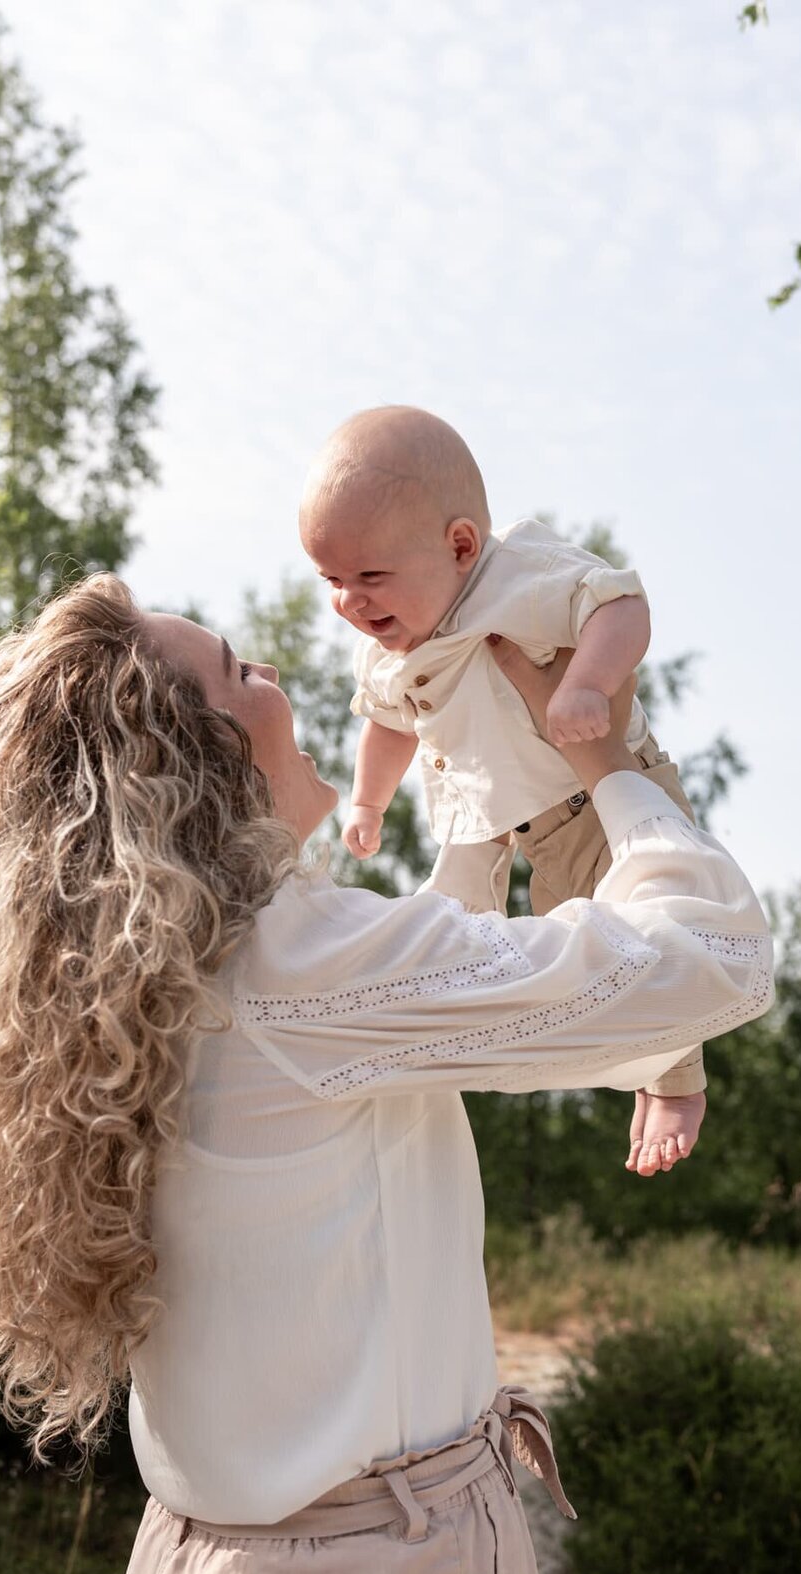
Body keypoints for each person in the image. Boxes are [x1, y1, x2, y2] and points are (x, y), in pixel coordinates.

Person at [0, 573, 773, 1574]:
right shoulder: (299, 966)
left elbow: (404, 1008)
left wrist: (477, 774)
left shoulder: (142, 997)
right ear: (185, 762)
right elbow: (710, 959)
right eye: (242, 672)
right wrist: (614, 764)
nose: (282, 684)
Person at [300, 404, 706, 1180]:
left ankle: (679, 1086)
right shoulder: (384, 643)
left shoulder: (519, 574)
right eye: (331, 581)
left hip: (600, 794)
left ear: (459, 546)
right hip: (506, 823)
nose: (351, 603)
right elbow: (387, 725)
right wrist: (366, 802)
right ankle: (599, 1063)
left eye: (371, 577)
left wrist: (586, 682)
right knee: (559, 950)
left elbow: (621, 604)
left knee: (643, 933)